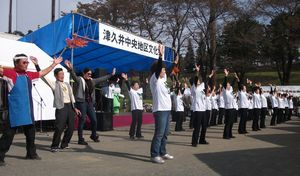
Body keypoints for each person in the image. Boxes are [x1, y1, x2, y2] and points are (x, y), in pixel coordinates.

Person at [0, 54, 62, 166]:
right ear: (16, 63)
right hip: (15, 111)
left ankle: (31, 154)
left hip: (28, 111)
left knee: (31, 135)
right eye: (24, 62)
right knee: (8, 136)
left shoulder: (28, 75)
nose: (27, 64)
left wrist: (54, 64)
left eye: (27, 62)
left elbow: (42, 73)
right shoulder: (10, 73)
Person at [32, 57, 81, 152]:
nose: (62, 75)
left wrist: (75, 108)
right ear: (56, 76)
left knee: (71, 128)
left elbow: (72, 97)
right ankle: (54, 145)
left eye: (63, 74)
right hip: (61, 107)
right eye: (60, 74)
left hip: (70, 107)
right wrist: (36, 65)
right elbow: (43, 76)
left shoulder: (67, 84)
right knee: (59, 127)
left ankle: (64, 144)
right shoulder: (54, 84)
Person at [64, 60, 116, 145]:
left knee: (94, 120)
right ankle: (80, 139)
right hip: (81, 102)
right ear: (84, 73)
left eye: (91, 74)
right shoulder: (80, 80)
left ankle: (93, 135)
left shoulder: (92, 81)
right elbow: (73, 76)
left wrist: (111, 75)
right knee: (82, 120)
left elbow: (102, 78)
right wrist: (70, 69)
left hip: (90, 103)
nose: (90, 75)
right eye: (88, 74)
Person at [149, 43, 174, 164]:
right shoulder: (154, 79)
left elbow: (169, 69)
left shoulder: (164, 80)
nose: (164, 70)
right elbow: (159, 68)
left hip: (167, 109)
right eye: (163, 69)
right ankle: (154, 155)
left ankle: (163, 152)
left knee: (165, 133)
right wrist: (160, 55)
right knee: (159, 133)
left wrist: (175, 63)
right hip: (159, 110)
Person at [191, 65, 213, 146]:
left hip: (203, 110)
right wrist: (197, 71)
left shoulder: (202, 86)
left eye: (199, 80)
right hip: (197, 110)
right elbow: (196, 79)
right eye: (197, 80)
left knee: (204, 126)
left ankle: (202, 140)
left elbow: (206, 81)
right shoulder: (194, 88)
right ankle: (194, 142)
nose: (198, 81)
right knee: (197, 127)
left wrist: (210, 76)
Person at [122, 73, 145, 140]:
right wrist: (126, 80)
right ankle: (131, 134)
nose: (137, 86)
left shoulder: (140, 91)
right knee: (134, 122)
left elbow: (143, 85)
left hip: (140, 109)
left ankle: (138, 134)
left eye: (138, 85)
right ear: (132, 86)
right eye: (135, 85)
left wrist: (145, 82)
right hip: (135, 109)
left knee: (140, 122)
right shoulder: (132, 92)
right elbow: (128, 86)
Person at [222, 69, 237, 139]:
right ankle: (225, 135)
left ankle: (230, 134)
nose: (229, 86)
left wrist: (235, 77)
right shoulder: (225, 91)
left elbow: (232, 84)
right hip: (228, 108)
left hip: (233, 108)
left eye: (229, 85)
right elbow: (225, 83)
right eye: (227, 85)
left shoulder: (230, 90)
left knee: (231, 122)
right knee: (228, 123)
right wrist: (226, 75)